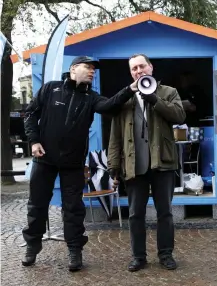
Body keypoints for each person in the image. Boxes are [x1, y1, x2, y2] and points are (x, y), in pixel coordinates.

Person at [22, 56, 136, 271]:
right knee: (36, 205)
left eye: (94, 69)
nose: (92, 71)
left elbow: (111, 105)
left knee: (73, 209)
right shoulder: (50, 89)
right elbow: (29, 113)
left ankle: (75, 250)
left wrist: (130, 89)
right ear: (74, 69)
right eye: (88, 67)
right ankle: (32, 246)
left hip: (73, 163)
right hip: (44, 159)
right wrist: (34, 140)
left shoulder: (91, 98)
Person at [108, 54, 186, 272]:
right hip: (134, 164)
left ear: (151, 67)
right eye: (134, 68)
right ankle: (138, 256)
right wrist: (113, 166)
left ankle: (165, 254)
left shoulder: (168, 92)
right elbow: (114, 136)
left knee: (165, 212)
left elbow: (179, 116)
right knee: (135, 214)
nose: (138, 71)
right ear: (131, 73)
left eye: (142, 66)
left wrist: (154, 99)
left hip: (163, 163)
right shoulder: (125, 98)